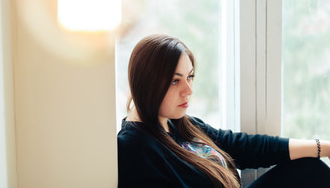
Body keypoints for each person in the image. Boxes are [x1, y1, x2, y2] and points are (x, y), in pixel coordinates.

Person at [117, 34, 330, 188]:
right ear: (147, 84)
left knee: (311, 168)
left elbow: (242, 146)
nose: (189, 90)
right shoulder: (134, 146)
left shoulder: (179, 123)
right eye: (175, 81)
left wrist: (324, 147)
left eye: (190, 77)